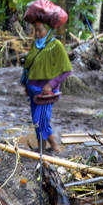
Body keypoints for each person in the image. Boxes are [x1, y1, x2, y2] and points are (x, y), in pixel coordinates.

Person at [21, 14, 72, 153]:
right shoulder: (35, 45)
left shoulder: (56, 46)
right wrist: (26, 84)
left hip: (47, 92)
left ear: (48, 30)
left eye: (40, 30)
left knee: (41, 120)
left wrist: (50, 84)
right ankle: (42, 147)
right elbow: (29, 67)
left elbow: (66, 70)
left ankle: (54, 146)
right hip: (33, 90)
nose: (37, 34)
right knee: (36, 121)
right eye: (35, 30)